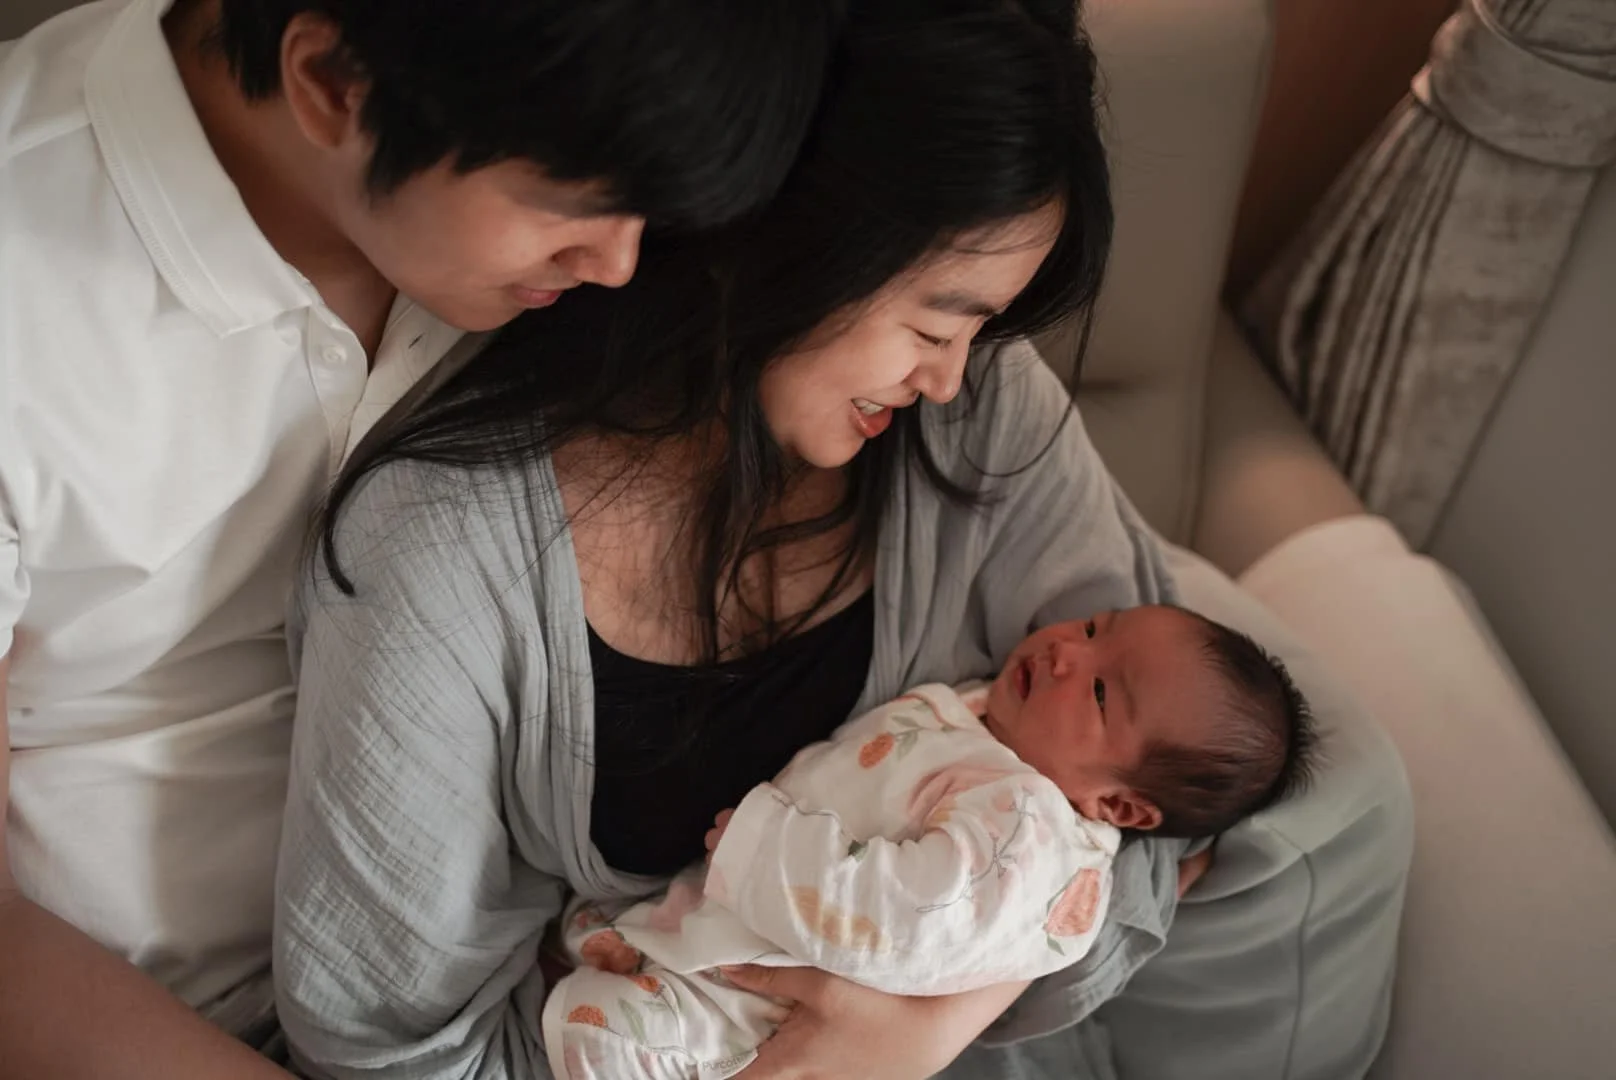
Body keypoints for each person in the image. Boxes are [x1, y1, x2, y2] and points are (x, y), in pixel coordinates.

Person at [278, 2, 1410, 1080]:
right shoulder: (437, 555)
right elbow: (391, 1046)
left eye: (983, 333)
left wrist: (916, 1031)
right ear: (777, 239)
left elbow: (1153, 804)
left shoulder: (976, 416)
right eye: (934, 323)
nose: (951, 377)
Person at [0, 0, 844, 1076]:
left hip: (541, 994)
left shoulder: (553, 148)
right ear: (332, 82)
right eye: (570, 208)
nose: (620, 267)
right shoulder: (25, 283)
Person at [542, 606, 1318, 1079]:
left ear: (1118, 802)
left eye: (1101, 691)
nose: (1065, 654)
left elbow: (908, 915)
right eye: (1092, 627)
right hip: (719, 934)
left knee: (598, 1033)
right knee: (585, 948)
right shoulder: (994, 725)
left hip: (757, 1016)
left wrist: (764, 847)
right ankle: (628, 951)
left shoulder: (1034, 837)